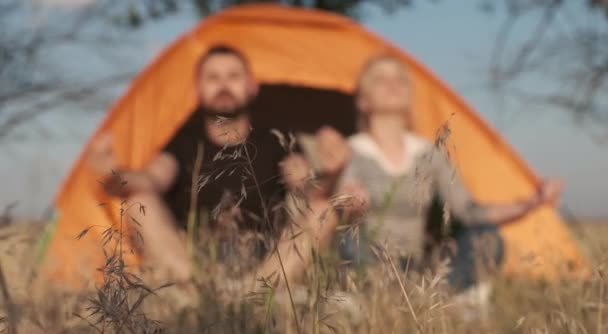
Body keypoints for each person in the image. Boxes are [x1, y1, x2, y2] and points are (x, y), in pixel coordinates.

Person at [86, 45, 342, 289]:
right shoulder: (184, 140)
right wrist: (112, 176)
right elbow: (150, 180)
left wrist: (332, 174)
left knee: (324, 210)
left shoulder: (275, 138)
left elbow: (307, 186)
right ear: (198, 89)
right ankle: (201, 293)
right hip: (194, 260)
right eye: (213, 77)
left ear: (251, 87)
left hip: (266, 261)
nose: (223, 85)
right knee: (137, 199)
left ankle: (256, 296)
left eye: (233, 76)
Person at [330, 55, 564, 291]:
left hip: (417, 262)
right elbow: (334, 202)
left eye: (400, 79)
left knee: (486, 236)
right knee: (349, 240)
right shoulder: (350, 152)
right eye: (380, 79)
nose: (393, 84)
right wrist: (349, 202)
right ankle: (375, 292)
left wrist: (531, 203)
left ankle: (434, 294)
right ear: (362, 100)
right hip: (367, 259)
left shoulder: (428, 154)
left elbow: (469, 211)